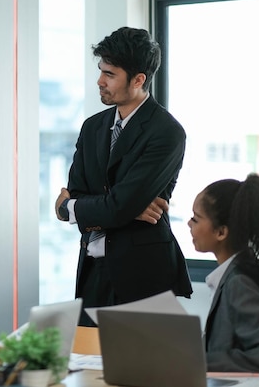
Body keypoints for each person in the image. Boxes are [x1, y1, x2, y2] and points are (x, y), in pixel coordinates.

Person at [54, 26, 192, 326]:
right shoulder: (92, 127)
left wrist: (71, 208)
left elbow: (97, 205)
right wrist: (118, 208)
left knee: (139, 371)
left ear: (139, 79)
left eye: (110, 74)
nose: (100, 81)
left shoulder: (166, 132)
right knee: (87, 367)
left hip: (142, 276)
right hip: (92, 272)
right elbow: (94, 198)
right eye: (101, 70)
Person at [188, 174, 259, 373]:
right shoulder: (237, 273)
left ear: (221, 232)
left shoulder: (239, 282)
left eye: (196, 218)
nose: (189, 223)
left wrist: (198, 361)